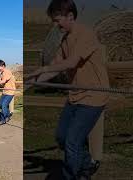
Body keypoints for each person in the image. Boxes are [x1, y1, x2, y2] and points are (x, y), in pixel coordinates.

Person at [26, 0, 110, 179]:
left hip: (93, 96)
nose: (55, 25)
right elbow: (56, 66)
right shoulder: (65, 40)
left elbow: (71, 62)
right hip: (75, 96)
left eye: (57, 20)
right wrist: (28, 84)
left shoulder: (86, 34)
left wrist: (44, 69)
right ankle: (87, 163)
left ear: (70, 16)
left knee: (72, 141)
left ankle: (72, 175)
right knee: (62, 137)